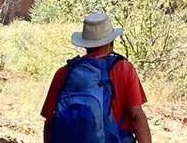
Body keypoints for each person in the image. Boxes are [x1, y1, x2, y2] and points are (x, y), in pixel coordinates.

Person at [41, 12, 152, 143]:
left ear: (85, 44)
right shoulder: (124, 69)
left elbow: (49, 122)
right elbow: (137, 116)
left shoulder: (64, 73)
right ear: (111, 41)